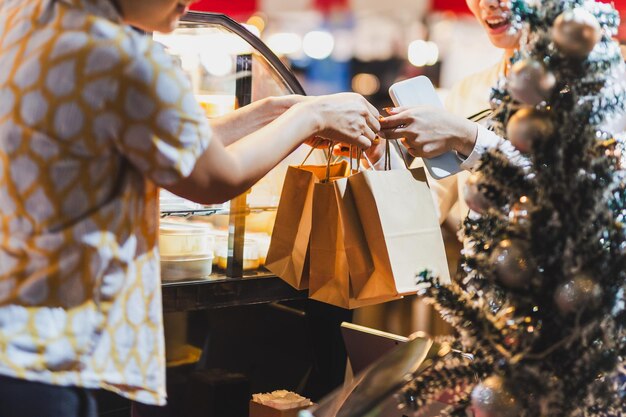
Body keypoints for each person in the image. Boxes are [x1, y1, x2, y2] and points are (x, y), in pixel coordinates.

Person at [0, 0, 380, 416]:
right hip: (54, 350)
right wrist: (313, 115)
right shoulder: (124, 58)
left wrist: (266, 114)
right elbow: (215, 179)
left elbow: (161, 141)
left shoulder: (28, 18)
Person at [379, 0, 523, 224]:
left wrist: (467, 138)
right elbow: (423, 211)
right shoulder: (466, 91)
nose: (486, 3)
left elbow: (564, 198)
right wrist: (378, 154)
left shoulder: (584, 87)